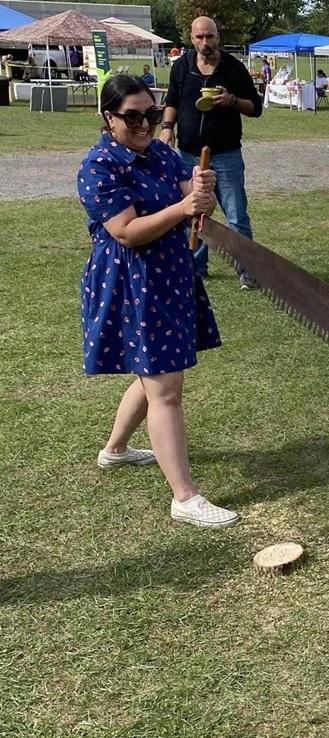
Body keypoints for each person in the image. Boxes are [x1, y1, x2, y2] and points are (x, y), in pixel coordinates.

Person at [77, 75, 239, 528]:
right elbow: (126, 232)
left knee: (154, 374)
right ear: (109, 118)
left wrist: (198, 190)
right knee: (164, 387)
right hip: (132, 284)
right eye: (133, 116)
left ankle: (115, 450)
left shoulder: (161, 153)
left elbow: (190, 198)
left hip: (168, 277)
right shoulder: (98, 166)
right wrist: (182, 210)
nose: (145, 123)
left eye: (151, 114)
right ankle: (185, 497)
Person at [160, 16, 262, 287]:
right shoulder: (181, 67)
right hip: (188, 154)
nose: (205, 42)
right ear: (191, 39)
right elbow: (171, 101)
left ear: (218, 37)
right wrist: (167, 127)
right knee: (194, 212)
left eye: (210, 36)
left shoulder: (234, 68)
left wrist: (231, 101)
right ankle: (195, 267)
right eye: (199, 37)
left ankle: (247, 270)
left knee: (236, 214)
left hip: (226, 154)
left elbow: (255, 108)